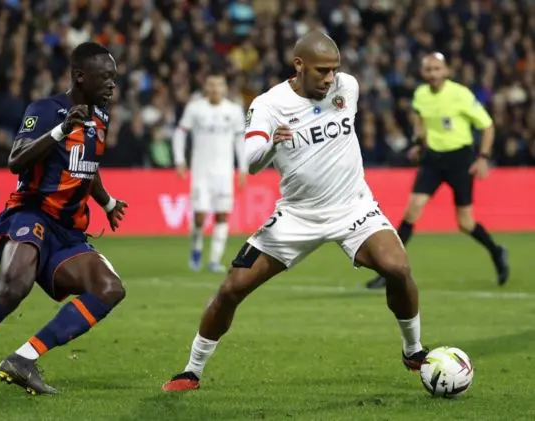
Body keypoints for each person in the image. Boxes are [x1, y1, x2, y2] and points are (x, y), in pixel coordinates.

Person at [162, 31, 427, 392]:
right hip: (297, 215)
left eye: (334, 70)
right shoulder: (269, 105)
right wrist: (272, 142)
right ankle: (191, 370)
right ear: (299, 65)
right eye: (322, 71)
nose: (330, 78)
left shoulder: (347, 87)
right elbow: (252, 162)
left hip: (353, 206)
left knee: (397, 267)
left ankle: (413, 350)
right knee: (232, 288)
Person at [0, 42, 128, 396]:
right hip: (30, 214)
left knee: (110, 289)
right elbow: (15, 160)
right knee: (13, 288)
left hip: (69, 233)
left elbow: (87, 166)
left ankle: (24, 359)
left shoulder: (101, 116)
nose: (112, 85)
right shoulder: (45, 110)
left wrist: (106, 203)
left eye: (115, 78)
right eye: (106, 77)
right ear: (80, 76)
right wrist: (59, 131)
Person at [365, 53, 509, 289]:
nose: (432, 74)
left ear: (446, 71)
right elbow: (421, 120)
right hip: (432, 159)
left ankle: (496, 251)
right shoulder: (421, 95)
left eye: (436, 69)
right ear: (423, 73)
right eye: (428, 69)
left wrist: (483, 157)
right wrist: (419, 143)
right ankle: (389, 271)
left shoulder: (460, 94)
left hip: (459, 159)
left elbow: (488, 125)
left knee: (465, 223)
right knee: (412, 212)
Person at [172, 71, 247, 273]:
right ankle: (196, 249)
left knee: (222, 215)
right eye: (211, 85)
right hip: (201, 171)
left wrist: (243, 167)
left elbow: (240, 140)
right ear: (206, 87)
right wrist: (180, 160)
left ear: (224, 88)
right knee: (199, 216)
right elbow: (180, 133)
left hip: (224, 172)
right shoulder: (196, 109)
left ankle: (214, 260)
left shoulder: (234, 110)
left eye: (219, 85)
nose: (215, 89)